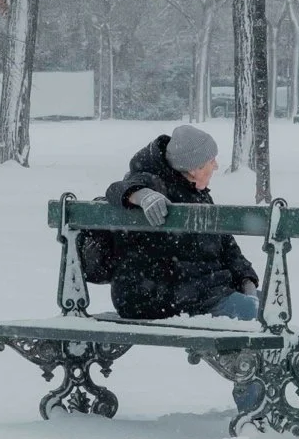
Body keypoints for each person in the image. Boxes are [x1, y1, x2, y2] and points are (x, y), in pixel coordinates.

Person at [104, 125, 260, 323]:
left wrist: (246, 279)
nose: (217, 166)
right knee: (257, 312)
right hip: (160, 296)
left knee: (268, 304)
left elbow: (227, 246)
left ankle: (235, 351)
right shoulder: (155, 183)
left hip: (196, 291)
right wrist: (142, 195)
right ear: (194, 169)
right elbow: (116, 190)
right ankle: (242, 352)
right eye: (211, 161)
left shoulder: (197, 193)